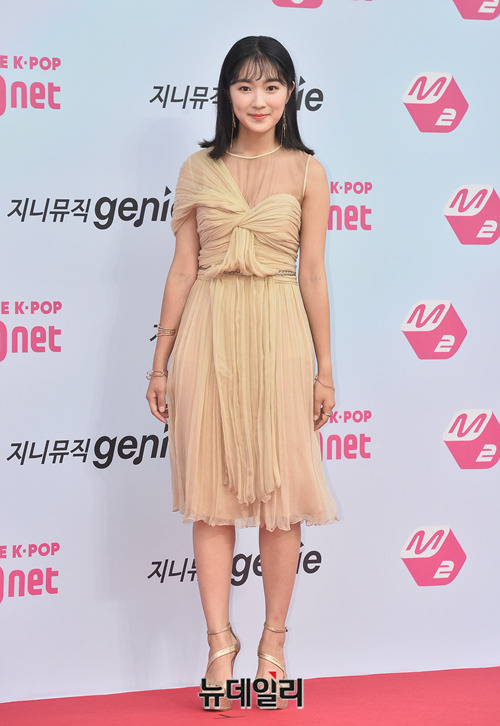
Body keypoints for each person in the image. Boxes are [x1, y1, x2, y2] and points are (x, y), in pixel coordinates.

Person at [146, 35, 338, 710]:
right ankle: (219, 645)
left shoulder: (308, 172)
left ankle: (274, 646)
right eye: (245, 85)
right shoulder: (198, 168)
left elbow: (313, 275)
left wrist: (325, 369)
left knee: (282, 498)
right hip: (209, 331)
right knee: (212, 494)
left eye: (272, 86)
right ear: (227, 94)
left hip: (280, 332)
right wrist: (160, 361)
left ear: (290, 93)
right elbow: (182, 270)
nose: (259, 99)